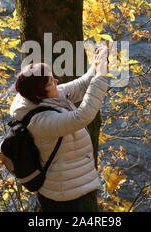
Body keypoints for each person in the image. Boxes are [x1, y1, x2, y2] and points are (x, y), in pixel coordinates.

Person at [9, 45, 109, 212]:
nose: (56, 81)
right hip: (61, 194)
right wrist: (100, 77)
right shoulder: (39, 121)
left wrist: (97, 64)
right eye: (50, 81)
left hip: (68, 183)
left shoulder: (39, 97)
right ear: (39, 94)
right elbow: (82, 116)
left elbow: (80, 86)